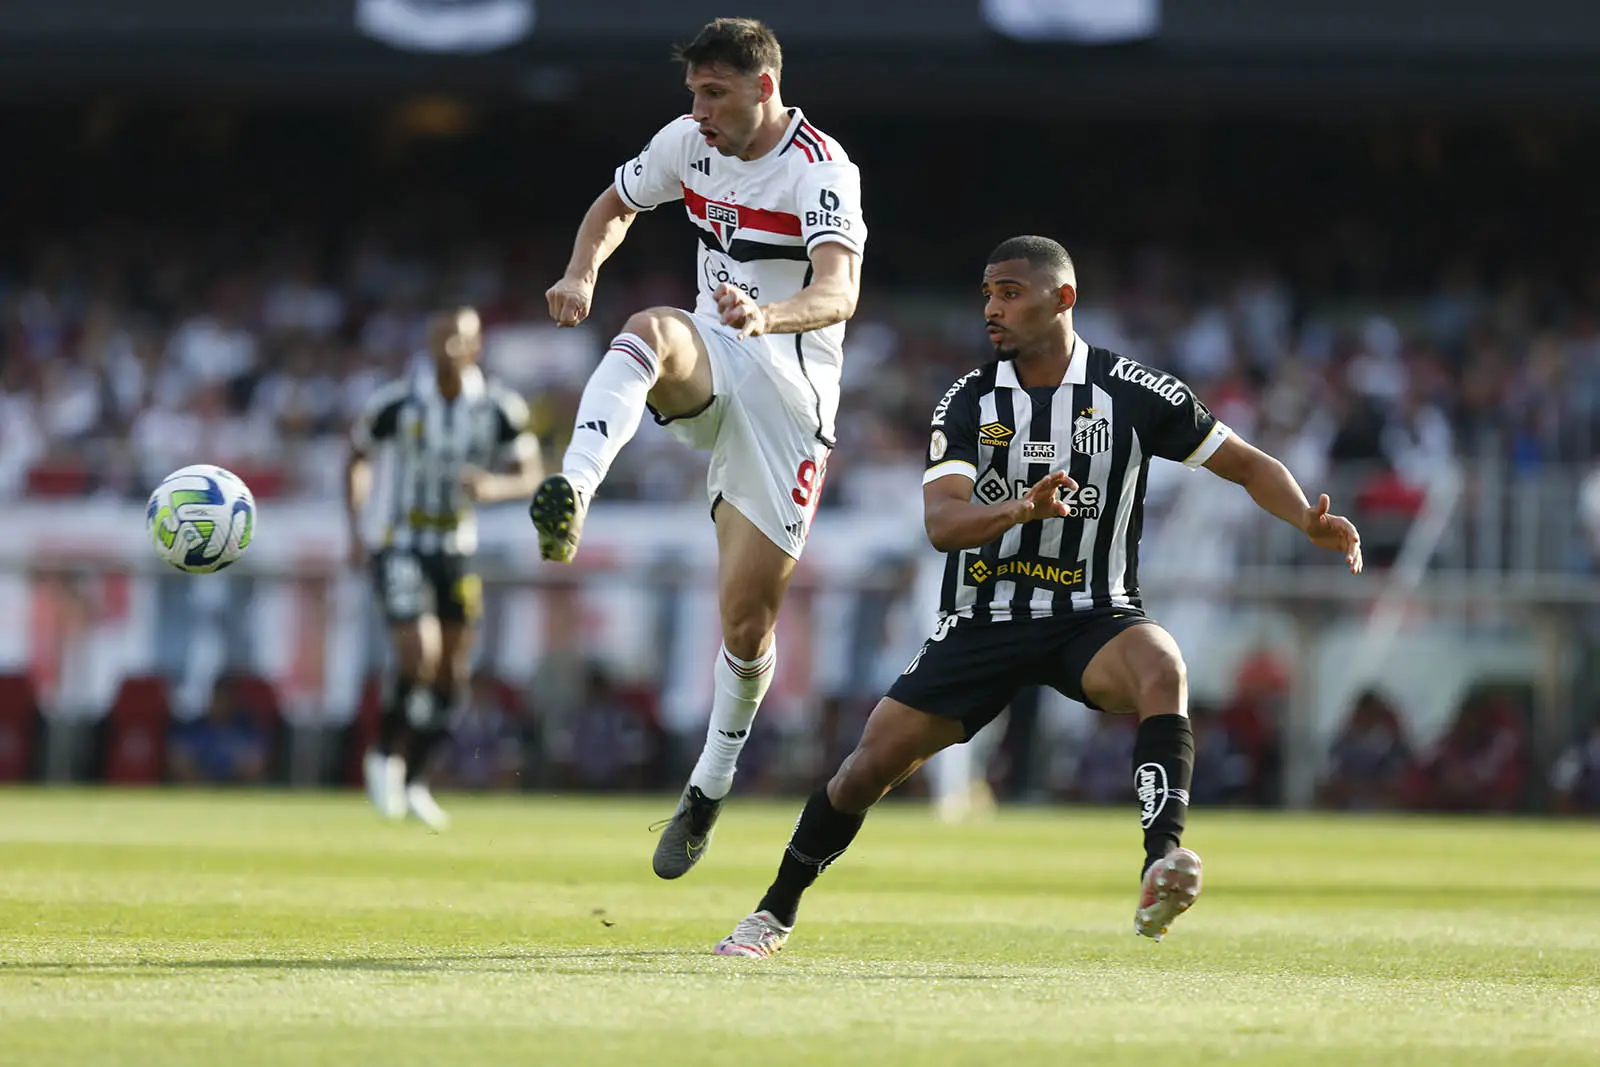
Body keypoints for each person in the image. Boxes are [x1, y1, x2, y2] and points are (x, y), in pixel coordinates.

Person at [713, 236, 1364, 957]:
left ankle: (1161, 861)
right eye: (988, 293)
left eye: (1011, 292)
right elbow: (942, 523)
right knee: (865, 769)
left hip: (1093, 612)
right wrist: (1022, 510)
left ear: (1063, 299)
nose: (993, 307)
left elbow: (1244, 463)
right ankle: (773, 912)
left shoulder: (1134, 392)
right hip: (983, 617)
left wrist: (1305, 515)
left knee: (1163, 667)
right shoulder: (969, 400)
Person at [529, 18, 867, 878]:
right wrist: (582, 271)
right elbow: (615, 204)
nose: (698, 109)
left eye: (714, 92)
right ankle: (571, 489)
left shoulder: (821, 169)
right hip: (715, 353)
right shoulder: (687, 143)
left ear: (763, 87)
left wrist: (771, 313)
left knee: (746, 623)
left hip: (790, 397)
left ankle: (709, 785)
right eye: (693, 93)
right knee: (647, 330)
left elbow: (838, 289)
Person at [346, 306, 541, 830]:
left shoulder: (499, 407)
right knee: (419, 654)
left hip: (457, 548)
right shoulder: (397, 402)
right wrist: (355, 528)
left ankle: (416, 780)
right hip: (400, 542)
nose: (445, 348)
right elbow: (357, 455)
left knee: (454, 672)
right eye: (438, 337)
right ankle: (384, 754)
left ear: (476, 347)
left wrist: (494, 487)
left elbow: (530, 473)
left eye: (457, 339)